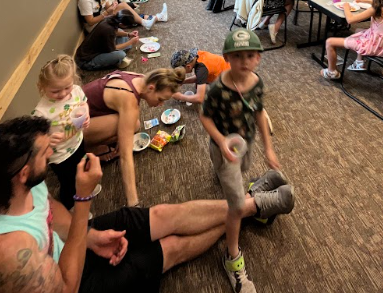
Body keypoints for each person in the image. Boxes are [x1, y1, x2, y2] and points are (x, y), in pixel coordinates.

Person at [0, 116, 293, 293]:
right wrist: (84, 198)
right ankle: (254, 206)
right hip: (77, 284)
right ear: (23, 172)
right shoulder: (12, 251)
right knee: (170, 248)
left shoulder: (29, 184)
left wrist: (91, 237)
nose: (51, 151)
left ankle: (250, 203)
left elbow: (55, 215)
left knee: (165, 215)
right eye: (44, 153)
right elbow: (68, 287)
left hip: (77, 239)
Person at [200, 29, 295, 293]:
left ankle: (243, 188)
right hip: (224, 148)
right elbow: (205, 117)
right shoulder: (218, 88)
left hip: (246, 144)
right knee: (236, 206)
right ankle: (232, 257)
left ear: (258, 59)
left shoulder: (257, 82)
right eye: (237, 55)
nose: (244, 61)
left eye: (250, 55)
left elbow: (260, 113)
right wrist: (220, 141)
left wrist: (269, 148)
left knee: (241, 172)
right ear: (227, 57)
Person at [82, 68, 184, 206]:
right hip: (68, 130)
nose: (160, 104)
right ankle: (84, 150)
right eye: (160, 99)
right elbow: (125, 156)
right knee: (126, 124)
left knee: (134, 124)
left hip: (84, 115)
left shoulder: (142, 77)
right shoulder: (128, 97)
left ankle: (92, 146)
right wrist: (133, 203)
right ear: (151, 87)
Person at [31, 56, 91, 210]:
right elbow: (36, 139)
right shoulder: (41, 112)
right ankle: (70, 207)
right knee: (68, 182)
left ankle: (83, 189)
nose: (63, 93)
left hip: (77, 141)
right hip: (60, 156)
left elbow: (84, 102)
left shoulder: (76, 91)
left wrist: (87, 114)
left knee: (83, 166)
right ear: (42, 87)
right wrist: (48, 139)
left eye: (67, 87)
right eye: (55, 91)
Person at [75, 10, 139, 71]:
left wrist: (128, 34)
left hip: (98, 49)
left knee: (122, 34)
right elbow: (113, 48)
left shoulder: (111, 19)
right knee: (121, 55)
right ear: (121, 24)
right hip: (86, 60)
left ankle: (116, 57)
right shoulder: (108, 30)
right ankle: (116, 59)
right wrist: (130, 42)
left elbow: (115, 32)